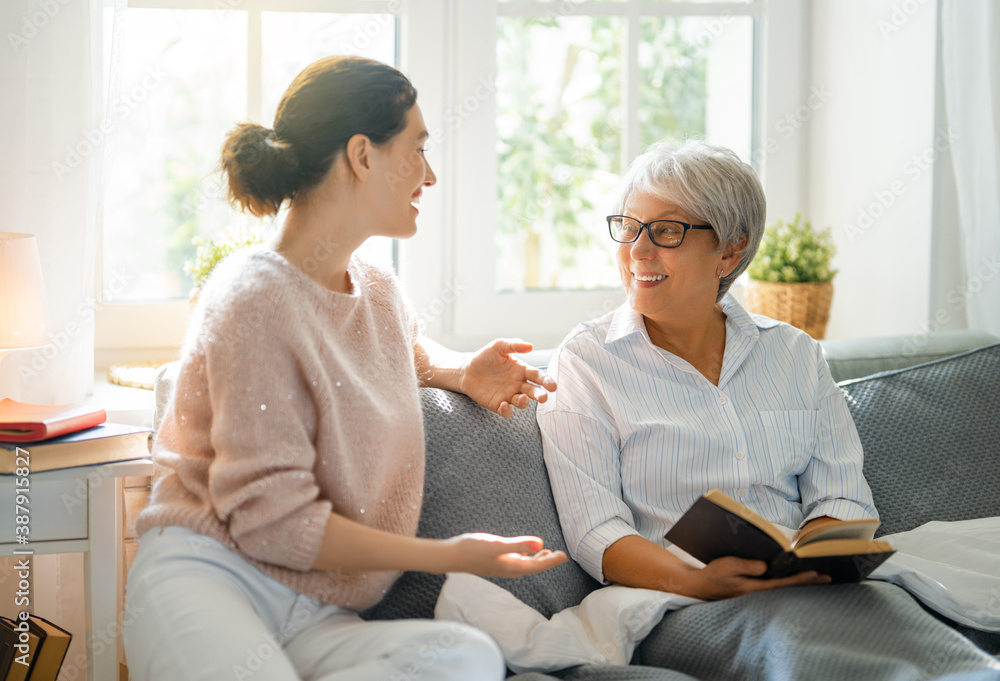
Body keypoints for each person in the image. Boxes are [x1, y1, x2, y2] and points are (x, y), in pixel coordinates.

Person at [123, 56, 566, 681]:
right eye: (416, 149)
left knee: (468, 658)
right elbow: (274, 526)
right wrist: (449, 556)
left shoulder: (377, 289)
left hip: (316, 608)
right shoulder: (251, 296)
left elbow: (403, 352)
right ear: (362, 155)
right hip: (215, 575)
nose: (430, 174)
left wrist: (463, 370)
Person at [536, 140, 1000, 678]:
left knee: (941, 657)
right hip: (686, 603)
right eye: (629, 227)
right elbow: (597, 531)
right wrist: (697, 582)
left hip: (812, 588)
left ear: (729, 252)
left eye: (666, 232)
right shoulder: (586, 363)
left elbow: (843, 495)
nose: (637, 251)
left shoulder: (794, 353)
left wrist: (811, 561)